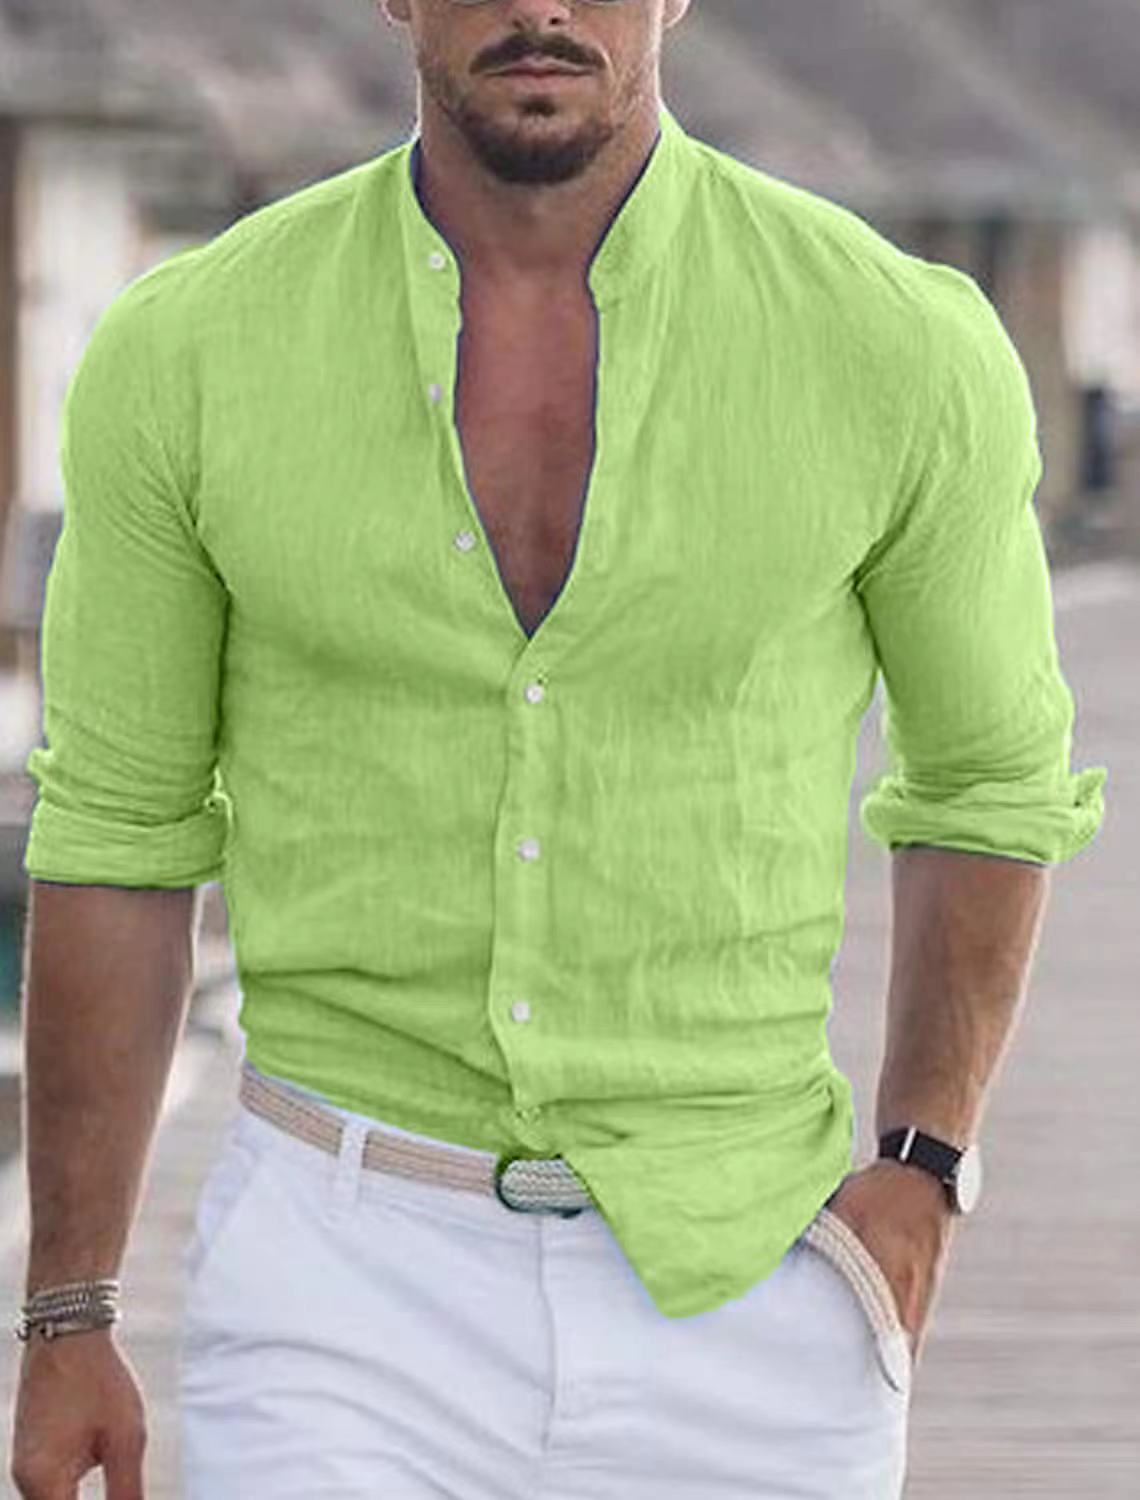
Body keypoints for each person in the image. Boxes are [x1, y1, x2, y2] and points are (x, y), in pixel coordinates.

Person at [9, 1, 1107, 1496]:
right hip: (338, 1274)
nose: (541, 5)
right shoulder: (189, 351)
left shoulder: (894, 344)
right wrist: (68, 1308)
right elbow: (118, 832)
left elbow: (990, 784)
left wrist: (926, 1168)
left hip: (751, 1284)